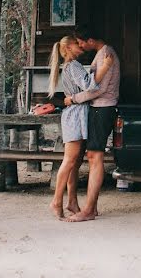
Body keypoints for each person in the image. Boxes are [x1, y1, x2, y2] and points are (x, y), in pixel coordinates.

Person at [62, 29, 120, 222]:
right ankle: (89, 207)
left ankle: (88, 210)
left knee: (95, 156)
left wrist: (73, 99)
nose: (81, 46)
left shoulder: (106, 55)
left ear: (90, 40)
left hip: (102, 108)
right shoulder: (100, 54)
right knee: (91, 156)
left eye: (82, 42)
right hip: (97, 109)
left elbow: (97, 90)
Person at [47, 35, 97, 219]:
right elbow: (89, 86)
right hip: (76, 114)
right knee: (70, 160)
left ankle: (72, 202)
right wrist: (102, 69)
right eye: (77, 43)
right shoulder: (73, 65)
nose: (81, 45)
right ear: (68, 47)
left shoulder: (69, 65)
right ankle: (56, 200)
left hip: (77, 114)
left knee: (74, 163)